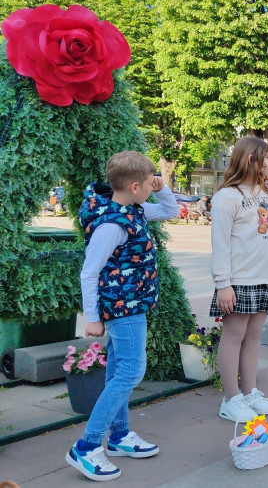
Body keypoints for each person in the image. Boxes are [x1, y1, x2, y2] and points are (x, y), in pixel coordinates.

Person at [66, 151, 178, 482]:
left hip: (132, 305)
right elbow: (89, 273)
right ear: (133, 185)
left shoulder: (133, 209)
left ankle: (119, 436)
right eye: (148, 182)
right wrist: (92, 317)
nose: (152, 186)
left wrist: (161, 187)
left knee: (118, 370)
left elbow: (171, 210)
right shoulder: (112, 224)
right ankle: (85, 447)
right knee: (131, 371)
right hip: (122, 309)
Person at [209, 136, 268, 422]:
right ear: (251, 159)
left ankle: (250, 391)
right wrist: (223, 284)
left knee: (254, 337)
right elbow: (221, 244)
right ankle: (231, 399)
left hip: (264, 276)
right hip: (238, 279)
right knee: (234, 337)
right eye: (266, 158)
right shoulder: (227, 197)